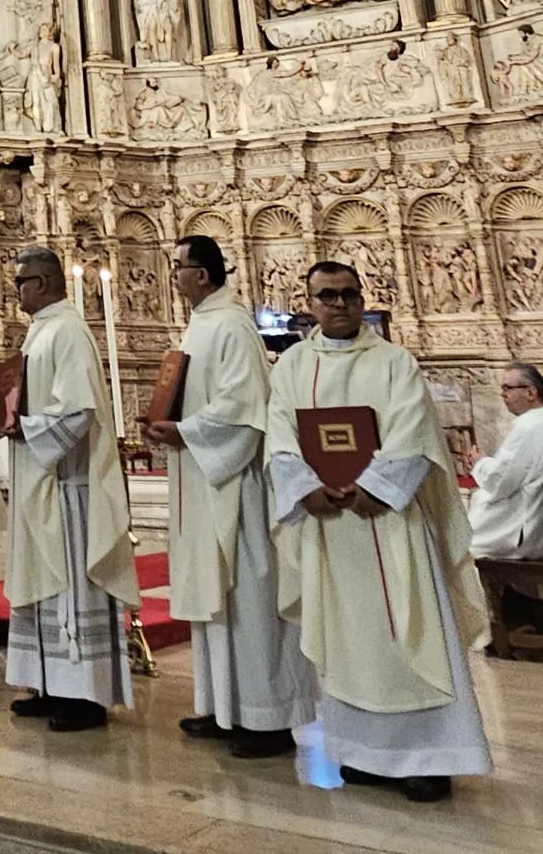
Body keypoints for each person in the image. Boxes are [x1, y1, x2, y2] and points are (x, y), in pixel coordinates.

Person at [267, 262, 492, 802]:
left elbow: (413, 432)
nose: (339, 304)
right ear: (309, 304)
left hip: (390, 521)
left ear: (362, 300)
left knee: (410, 633)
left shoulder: (395, 361)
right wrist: (307, 489)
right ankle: (364, 753)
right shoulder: (292, 365)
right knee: (349, 643)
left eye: (349, 294)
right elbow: (279, 436)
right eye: (327, 296)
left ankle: (429, 758)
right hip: (329, 526)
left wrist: (376, 488)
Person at [147, 237, 315, 757]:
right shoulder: (202, 322)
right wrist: (170, 425)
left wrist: (185, 431)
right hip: (205, 481)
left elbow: (243, 408)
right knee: (217, 602)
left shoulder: (232, 325)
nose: (172, 275)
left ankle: (267, 719)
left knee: (248, 602)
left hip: (235, 487)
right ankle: (225, 708)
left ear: (202, 274)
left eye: (177, 266)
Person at [5, 247, 138, 731]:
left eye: (20, 282)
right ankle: (48, 682)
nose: (16, 292)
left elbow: (79, 411)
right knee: (44, 587)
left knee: (71, 589)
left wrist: (26, 428)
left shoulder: (68, 331)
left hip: (69, 489)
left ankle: (83, 694)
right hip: (43, 483)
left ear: (42, 283)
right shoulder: (41, 332)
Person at [465, 363, 543, 561]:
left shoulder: (529, 426)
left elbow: (502, 481)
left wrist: (479, 463)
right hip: (534, 524)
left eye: (508, 388)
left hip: (520, 528)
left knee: (452, 546)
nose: (503, 394)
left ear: (531, 392)